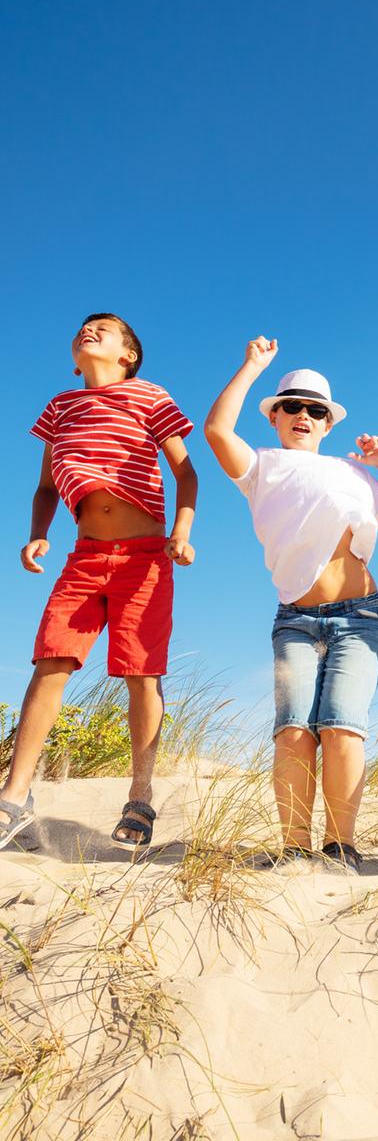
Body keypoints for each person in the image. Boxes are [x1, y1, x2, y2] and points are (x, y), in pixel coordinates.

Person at [205, 337, 378, 874]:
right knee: (294, 729)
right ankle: (295, 847)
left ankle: (339, 847)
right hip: (295, 620)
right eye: (292, 406)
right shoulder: (262, 465)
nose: (304, 414)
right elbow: (215, 431)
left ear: (328, 423)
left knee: (343, 725)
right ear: (275, 416)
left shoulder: (356, 475)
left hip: (361, 616)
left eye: (315, 410)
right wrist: (252, 365)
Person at [0, 313, 197, 851]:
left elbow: (186, 473)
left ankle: (140, 795)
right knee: (51, 662)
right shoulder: (61, 408)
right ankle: (14, 796)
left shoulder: (149, 396)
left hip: (145, 557)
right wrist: (39, 533)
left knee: (141, 672)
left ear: (128, 354)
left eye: (104, 329)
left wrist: (181, 531)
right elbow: (45, 486)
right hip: (84, 556)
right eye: (84, 328)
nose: (90, 331)